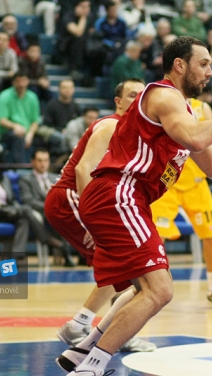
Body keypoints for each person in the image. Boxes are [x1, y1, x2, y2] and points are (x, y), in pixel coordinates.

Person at [55, 36, 212, 376]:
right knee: (159, 290)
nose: (210, 72)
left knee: (143, 289)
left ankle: (83, 350)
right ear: (179, 65)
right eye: (203, 63)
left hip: (124, 198)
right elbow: (196, 138)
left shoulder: (183, 111)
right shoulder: (164, 96)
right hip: (119, 192)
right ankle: (88, 372)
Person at [48, 79, 157, 352]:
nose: (137, 101)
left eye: (142, 96)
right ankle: (81, 325)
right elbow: (82, 170)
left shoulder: (132, 131)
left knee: (124, 264)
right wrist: (92, 220)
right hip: (71, 197)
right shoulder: (111, 125)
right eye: (131, 95)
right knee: (124, 259)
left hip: (83, 200)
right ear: (118, 102)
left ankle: (111, 329)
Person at [150, 98, 212, 309]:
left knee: (211, 235)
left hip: (196, 182)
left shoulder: (202, 107)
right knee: (157, 238)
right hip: (167, 181)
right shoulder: (163, 101)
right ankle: (151, 288)